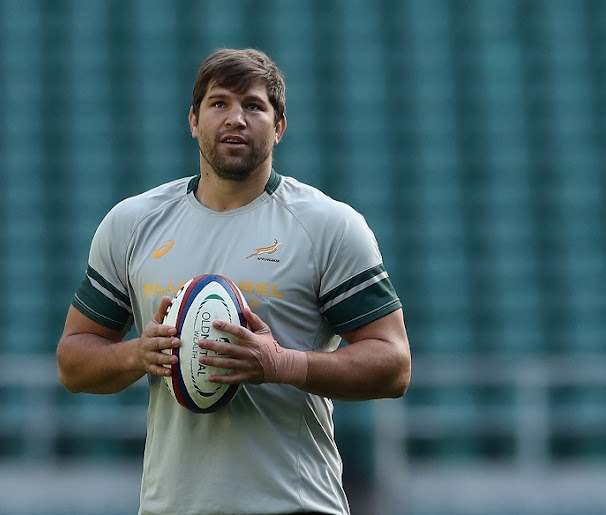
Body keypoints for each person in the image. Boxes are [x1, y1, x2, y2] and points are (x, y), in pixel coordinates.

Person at [57, 48, 411, 515]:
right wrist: (135, 354)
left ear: (280, 126)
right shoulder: (134, 224)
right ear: (193, 120)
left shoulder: (328, 226)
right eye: (219, 103)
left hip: (295, 503)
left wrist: (282, 364)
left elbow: (394, 364)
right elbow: (73, 360)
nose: (236, 119)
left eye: (254, 106)